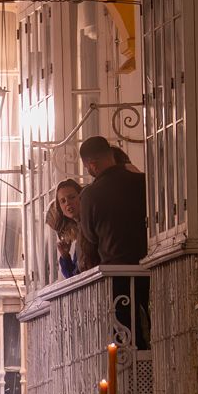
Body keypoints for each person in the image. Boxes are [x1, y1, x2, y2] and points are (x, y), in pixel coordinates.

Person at [76, 137, 151, 351]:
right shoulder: (143, 182)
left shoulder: (90, 195)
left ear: (92, 165)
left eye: (87, 167)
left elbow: (90, 236)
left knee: (125, 335)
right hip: (151, 265)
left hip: (116, 273)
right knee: (156, 322)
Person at [44, 179, 82, 279]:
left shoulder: (87, 228)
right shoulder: (80, 232)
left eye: (72, 197)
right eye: (63, 201)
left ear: (81, 197)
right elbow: (73, 278)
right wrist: (65, 256)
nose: (68, 203)